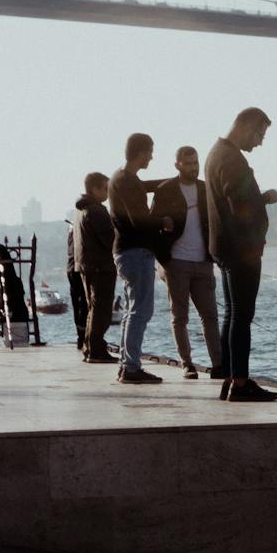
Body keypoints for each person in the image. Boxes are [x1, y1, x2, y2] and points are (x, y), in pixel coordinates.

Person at [205, 107, 277, 402]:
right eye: (260, 134)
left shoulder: (216, 154)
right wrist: (261, 205)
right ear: (246, 127)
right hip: (241, 249)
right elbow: (240, 206)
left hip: (225, 247)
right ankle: (239, 383)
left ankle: (230, 378)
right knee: (242, 315)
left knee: (232, 314)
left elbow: (232, 201)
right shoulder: (232, 160)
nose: (260, 141)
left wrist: (261, 198)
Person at [151, 145, 222, 380]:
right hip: (176, 262)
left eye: (195, 162)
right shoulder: (165, 190)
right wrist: (164, 259)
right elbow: (152, 224)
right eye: (188, 163)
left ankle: (219, 364)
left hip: (203, 262)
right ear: (177, 165)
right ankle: (187, 364)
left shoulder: (206, 189)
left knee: (210, 315)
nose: (193, 167)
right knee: (179, 316)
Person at [109, 134, 174, 384]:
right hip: (136, 252)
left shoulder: (122, 178)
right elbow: (138, 219)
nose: (152, 156)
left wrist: (169, 182)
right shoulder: (127, 181)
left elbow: (140, 186)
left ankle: (127, 364)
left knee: (131, 310)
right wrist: (163, 222)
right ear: (140, 152)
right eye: (150, 152)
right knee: (140, 311)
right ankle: (131, 368)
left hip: (126, 252)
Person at [73, 172, 117, 363]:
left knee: (94, 308)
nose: (107, 192)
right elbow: (109, 239)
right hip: (100, 266)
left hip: (86, 265)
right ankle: (96, 349)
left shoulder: (81, 210)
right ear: (94, 189)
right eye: (105, 188)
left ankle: (90, 347)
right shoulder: (97, 211)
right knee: (102, 309)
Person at [63, 217, 89, 357]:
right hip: (79, 269)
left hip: (71, 269)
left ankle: (81, 336)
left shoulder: (71, 235)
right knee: (84, 303)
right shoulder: (78, 235)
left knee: (77, 303)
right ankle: (84, 337)